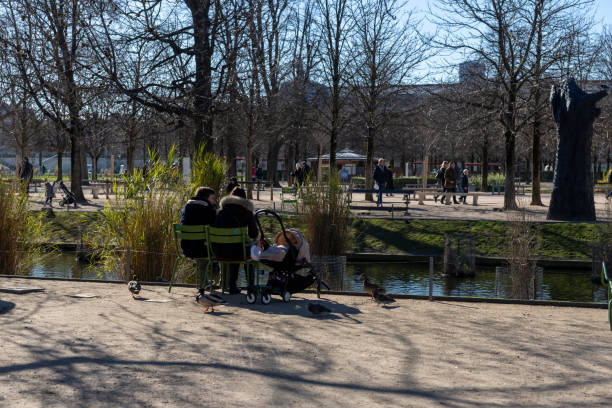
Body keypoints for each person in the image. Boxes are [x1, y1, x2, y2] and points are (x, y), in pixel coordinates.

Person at [214, 187, 258, 294]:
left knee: (234, 247)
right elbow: (253, 234)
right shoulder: (247, 212)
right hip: (239, 252)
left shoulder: (220, 212)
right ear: (244, 199)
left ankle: (231, 285)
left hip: (220, 252)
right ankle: (251, 286)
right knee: (246, 250)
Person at [179, 187, 217, 258]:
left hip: (186, 249)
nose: (214, 201)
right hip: (204, 250)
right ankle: (213, 268)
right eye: (212, 198)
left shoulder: (185, 208)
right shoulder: (208, 210)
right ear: (205, 198)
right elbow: (215, 229)